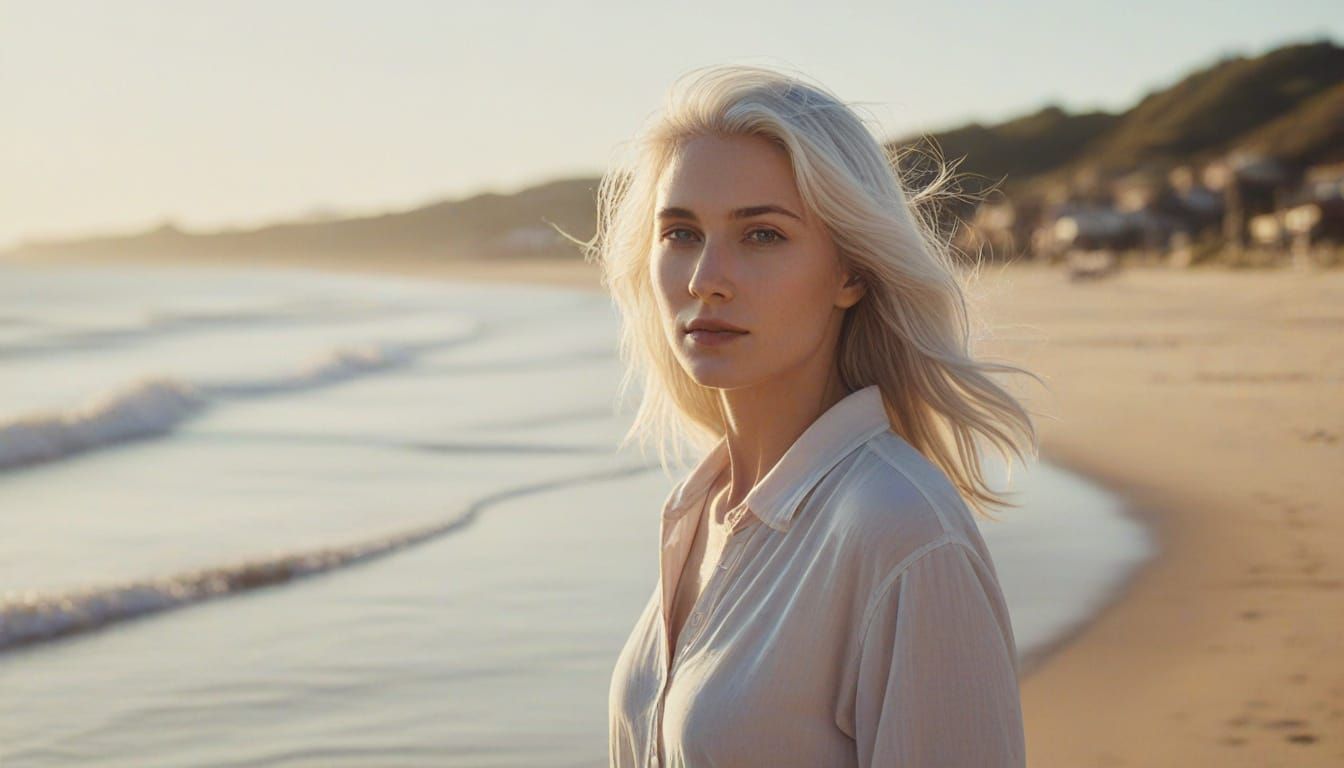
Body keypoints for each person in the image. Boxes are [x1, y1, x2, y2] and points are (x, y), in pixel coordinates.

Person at [581, 63, 1044, 767]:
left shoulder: (905, 535)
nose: (707, 279)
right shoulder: (699, 511)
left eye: (762, 235)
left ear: (851, 272)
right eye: (680, 233)